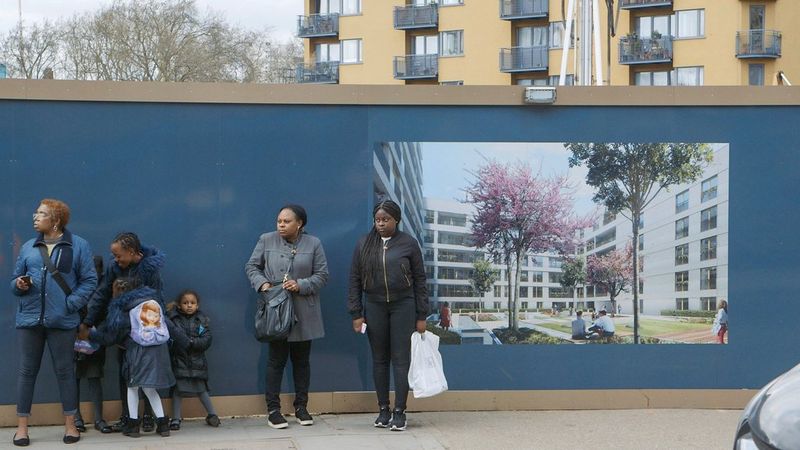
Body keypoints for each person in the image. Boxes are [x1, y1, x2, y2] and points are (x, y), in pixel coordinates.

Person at [10, 198, 98, 446]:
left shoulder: (78, 245)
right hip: (30, 319)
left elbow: (90, 280)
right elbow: (14, 278)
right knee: (26, 373)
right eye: (35, 212)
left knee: (65, 373)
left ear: (56, 220)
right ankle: (22, 429)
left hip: (62, 320)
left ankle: (71, 426)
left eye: (41, 213)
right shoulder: (29, 246)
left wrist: (70, 304)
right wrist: (19, 284)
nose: (35, 217)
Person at [347, 200, 429, 432]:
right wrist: (356, 313)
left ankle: (400, 411)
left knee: (401, 360)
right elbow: (354, 279)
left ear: (396, 220)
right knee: (380, 359)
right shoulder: (364, 243)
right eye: (378, 220)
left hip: (404, 305)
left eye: (386, 220)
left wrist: (422, 314)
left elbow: (420, 280)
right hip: (374, 305)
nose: (381, 224)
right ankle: (383, 409)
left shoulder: (408, 244)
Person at [245, 205, 329, 429]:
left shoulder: (314, 243)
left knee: (302, 362)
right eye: (279, 221)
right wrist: (262, 284)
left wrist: (301, 284)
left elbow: (322, 275)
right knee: (275, 361)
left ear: (299, 223)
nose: (281, 225)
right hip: (275, 308)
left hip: (304, 310)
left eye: (286, 221)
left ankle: (301, 407)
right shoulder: (266, 240)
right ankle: (273, 410)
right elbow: (252, 266)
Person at [78, 232, 165, 433]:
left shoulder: (150, 269)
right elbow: (102, 293)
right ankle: (128, 416)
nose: (116, 260)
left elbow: (157, 299)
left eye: (119, 256)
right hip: (122, 332)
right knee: (125, 374)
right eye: (114, 256)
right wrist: (88, 321)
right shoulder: (114, 268)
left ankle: (148, 416)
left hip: (145, 334)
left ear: (133, 252)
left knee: (147, 377)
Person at [89, 279, 178, 438]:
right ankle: (163, 425)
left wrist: (91, 335)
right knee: (150, 389)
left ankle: (133, 425)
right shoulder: (152, 303)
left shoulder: (125, 310)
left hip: (136, 354)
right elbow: (170, 327)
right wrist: (187, 342)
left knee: (132, 388)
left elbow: (112, 337)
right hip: (157, 353)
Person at [167, 289, 220, 430]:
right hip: (179, 360)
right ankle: (176, 418)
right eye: (185, 303)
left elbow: (207, 339)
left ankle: (212, 415)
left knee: (201, 389)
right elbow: (171, 337)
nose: (189, 305)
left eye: (192, 303)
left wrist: (191, 343)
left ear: (197, 305)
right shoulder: (174, 319)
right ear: (179, 305)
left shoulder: (201, 320)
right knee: (178, 390)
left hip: (198, 361)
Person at [74, 256, 112, 434]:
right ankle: (76, 418)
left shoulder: (104, 288)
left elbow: (108, 313)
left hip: (95, 338)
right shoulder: (74, 285)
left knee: (94, 378)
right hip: (73, 337)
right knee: (73, 379)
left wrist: (94, 332)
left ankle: (98, 418)